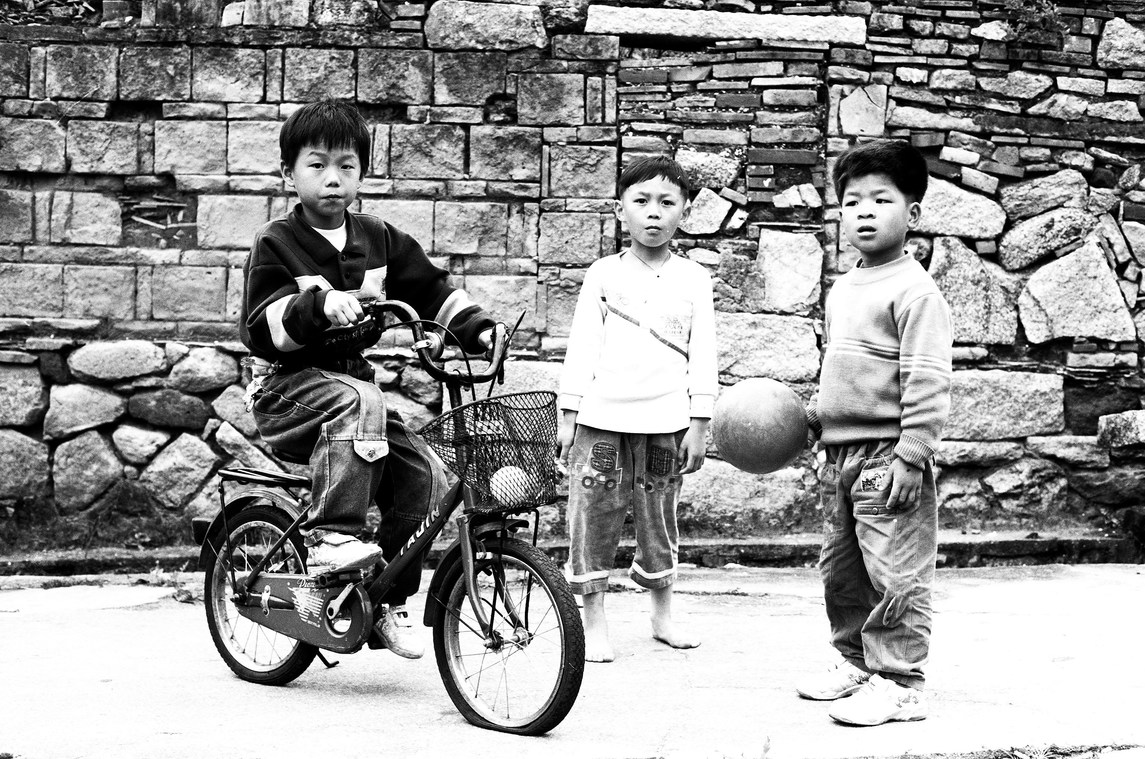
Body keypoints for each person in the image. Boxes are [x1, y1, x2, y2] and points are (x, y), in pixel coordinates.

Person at [239, 99, 496, 660]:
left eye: (346, 165)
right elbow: (261, 327)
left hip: (353, 393)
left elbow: (431, 290)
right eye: (316, 165)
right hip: (285, 389)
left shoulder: (379, 238)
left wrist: (478, 329)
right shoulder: (276, 242)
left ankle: (384, 599)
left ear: (362, 173)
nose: (332, 178)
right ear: (288, 172)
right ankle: (331, 536)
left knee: (425, 474)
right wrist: (318, 306)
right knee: (360, 400)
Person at [798, 139, 953, 726]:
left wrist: (912, 455)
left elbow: (927, 380)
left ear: (912, 213)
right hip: (841, 456)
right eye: (852, 201)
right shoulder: (845, 287)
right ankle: (856, 661)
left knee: (896, 573)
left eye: (881, 200)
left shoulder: (916, 293)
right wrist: (818, 418)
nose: (864, 211)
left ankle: (901, 682)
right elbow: (842, 372)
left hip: (890, 456)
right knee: (842, 570)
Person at [557, 155, 718, 663]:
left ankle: (662, 616)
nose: (654, 212)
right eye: (641, 200)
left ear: (684, 212)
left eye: (667, 202)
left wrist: (699, 421)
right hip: (600, 422)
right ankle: (594, 621)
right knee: (592, 516)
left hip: (666, 423)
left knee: (659, 518)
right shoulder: (603, 275)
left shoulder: (694, 279)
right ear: (620, 209)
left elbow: (704, 353)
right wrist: (569, 412)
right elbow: (582, 346)